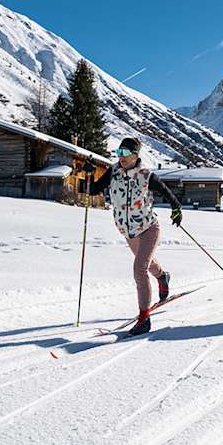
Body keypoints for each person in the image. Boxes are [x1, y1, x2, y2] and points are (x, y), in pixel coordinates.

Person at [84, 137, 183, 335]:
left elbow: (167, 192)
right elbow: (91, 190)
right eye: (119, 153)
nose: (121, 157)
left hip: (148, 228)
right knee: (146, 262)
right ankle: (163, 277)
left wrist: (176, 209)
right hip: (128, 231)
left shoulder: (146, 175)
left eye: (125, 153)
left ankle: (144, 319)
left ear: (135, 155)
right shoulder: (113, 172)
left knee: (139, 268)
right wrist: (87, 174)